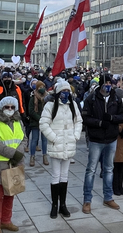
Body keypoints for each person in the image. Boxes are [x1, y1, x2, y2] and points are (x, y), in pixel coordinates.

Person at [81, 74, 123, 214]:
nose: (108, 85)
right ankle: (87, 200)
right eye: (105, 83)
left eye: (110, 83)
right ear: (101, 84)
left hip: (111, 139)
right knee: (91, 170)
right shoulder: (92, 99)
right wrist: (99, 123)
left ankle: (108, 197)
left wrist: (112, 118)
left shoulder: (116, 98)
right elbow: (86, 118)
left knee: (108, 169)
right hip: (96, 139)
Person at [40, 79, 83, 219]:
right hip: (56, 144)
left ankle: (63, 205)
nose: (65, 93)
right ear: (58, 92)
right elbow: (44, 123)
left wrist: (75, 135)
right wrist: (54, 137)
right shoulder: (50, 105)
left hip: (69, 143)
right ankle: (54, 205)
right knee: (55, 175)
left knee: (65, 175)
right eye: (63, 91)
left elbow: (78, 121)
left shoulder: (73, 105)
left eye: (67, 91)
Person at [0, 96, 27, 231]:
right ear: (1, 108)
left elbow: (23, 139)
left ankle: (6, 220)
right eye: (6, 107)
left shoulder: (19, 122)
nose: (9, 109)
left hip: (16, 162)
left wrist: (19, 153)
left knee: (11, 193)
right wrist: (13, 154)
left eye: (12, 107)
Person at [27, 81, 49, 166]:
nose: (42, 89)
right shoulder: (33, 98)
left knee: (44, 140)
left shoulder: (47, 97)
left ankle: (45, 156)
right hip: (35, 122)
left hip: (45, 122)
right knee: (34, 140)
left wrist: (45, 119)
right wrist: (39, 118)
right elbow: (31, 111)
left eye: (43, 87)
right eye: (39, 87)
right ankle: (32, 157)